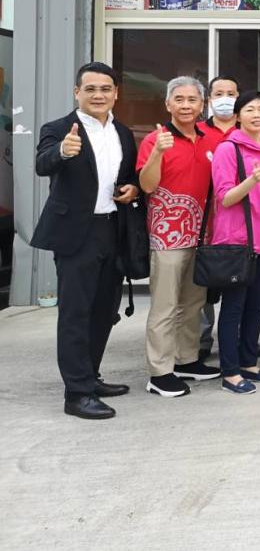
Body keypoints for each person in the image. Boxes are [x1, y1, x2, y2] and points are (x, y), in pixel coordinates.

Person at [33, 62, 140, 419]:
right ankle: (76, 394)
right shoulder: (58, 129)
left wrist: (132, 188)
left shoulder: (122, 132)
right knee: (75, 313)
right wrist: (62, 151)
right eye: (90, 89)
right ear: (77, 92)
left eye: (105, 88)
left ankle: (90, 377)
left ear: (116, 94)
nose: (98, 95)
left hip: (112, 229)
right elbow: (42, 164)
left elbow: (129, 176)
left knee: (104, 311)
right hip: (76, 234)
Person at [137, 76, 223, 398]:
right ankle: (159, 372)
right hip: (167, 236)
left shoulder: (210, 138)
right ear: (168, 104)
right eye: (179, 99)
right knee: (165, 305)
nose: (186, 105)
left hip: (202, 234)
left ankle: (186, 360)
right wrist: (158, 153)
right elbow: (147, 185)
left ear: (203, 105)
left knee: (193, 302)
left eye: (192, 100)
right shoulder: (155, 140)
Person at [210, 91, 260, 395]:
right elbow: (225, 198)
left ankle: (249, 362)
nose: (257, 115)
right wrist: (252, 181)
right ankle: (229, 373)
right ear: (237, 116)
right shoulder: (228, 149)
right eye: (250, 109)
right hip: (237, 240)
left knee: (256, 305)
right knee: (234, 307)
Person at [198, 74, 239, 363]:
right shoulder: (197, 131)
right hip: (203, 221)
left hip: (237, 224)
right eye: (219, 93)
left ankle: (237, 339)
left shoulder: (248, 132)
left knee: (238, 283)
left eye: (231, 93)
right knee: (202, 287)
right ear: (209, 99)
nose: (225, 99)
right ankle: (201, 341)